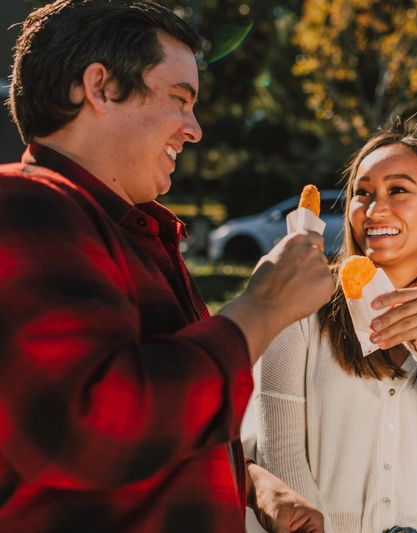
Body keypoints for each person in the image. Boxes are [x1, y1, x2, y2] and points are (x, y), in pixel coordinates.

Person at [0, 1, 333, 532]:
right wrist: (264, 307)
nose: (195, 129)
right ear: (101, 87)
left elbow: (138, 408)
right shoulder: (23, 204)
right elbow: (94, 430)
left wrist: (244, 480)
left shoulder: (124, 230)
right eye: (180, 99)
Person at [254, 120, 417, 533]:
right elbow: (281, 451)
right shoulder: (303, 305)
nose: (375, 210)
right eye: (363, 193)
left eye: (398, 190)